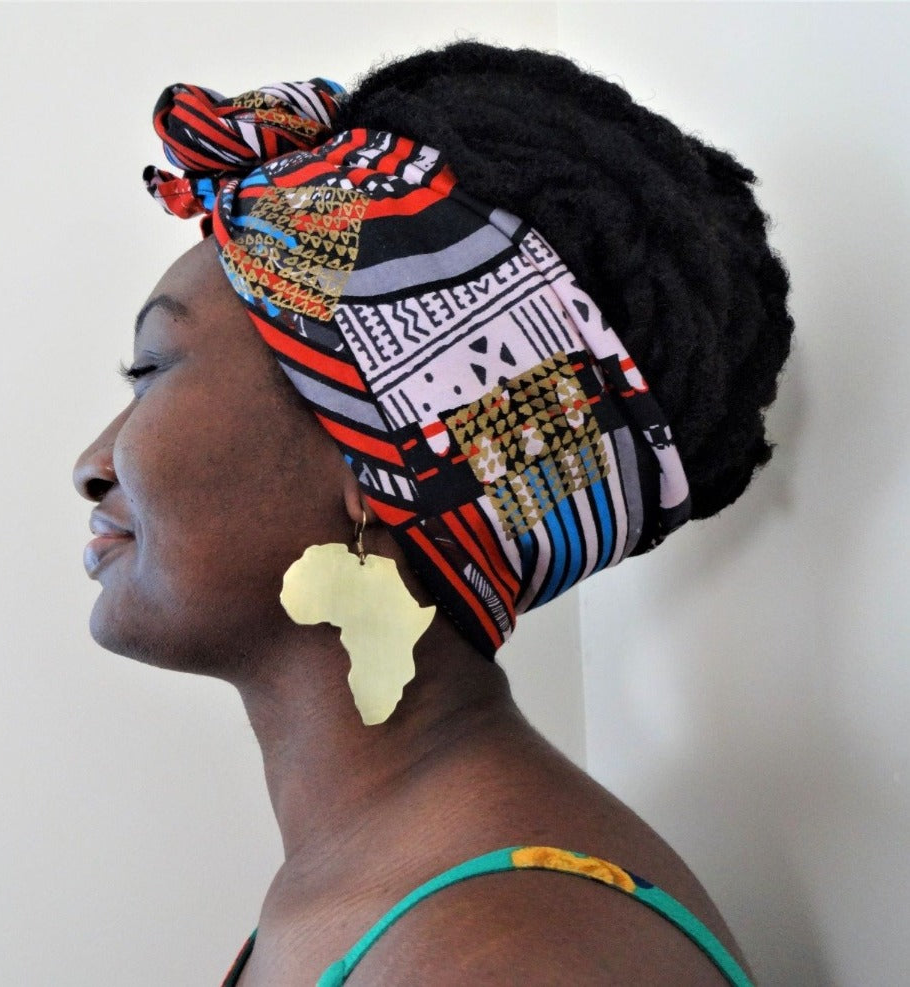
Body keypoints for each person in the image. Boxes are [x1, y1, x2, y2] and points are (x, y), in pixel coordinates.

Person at [74, 42, 791, 985]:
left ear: (372, 462)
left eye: (152, 369)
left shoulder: (513, 953)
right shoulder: (381, 898)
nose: (92, 464)